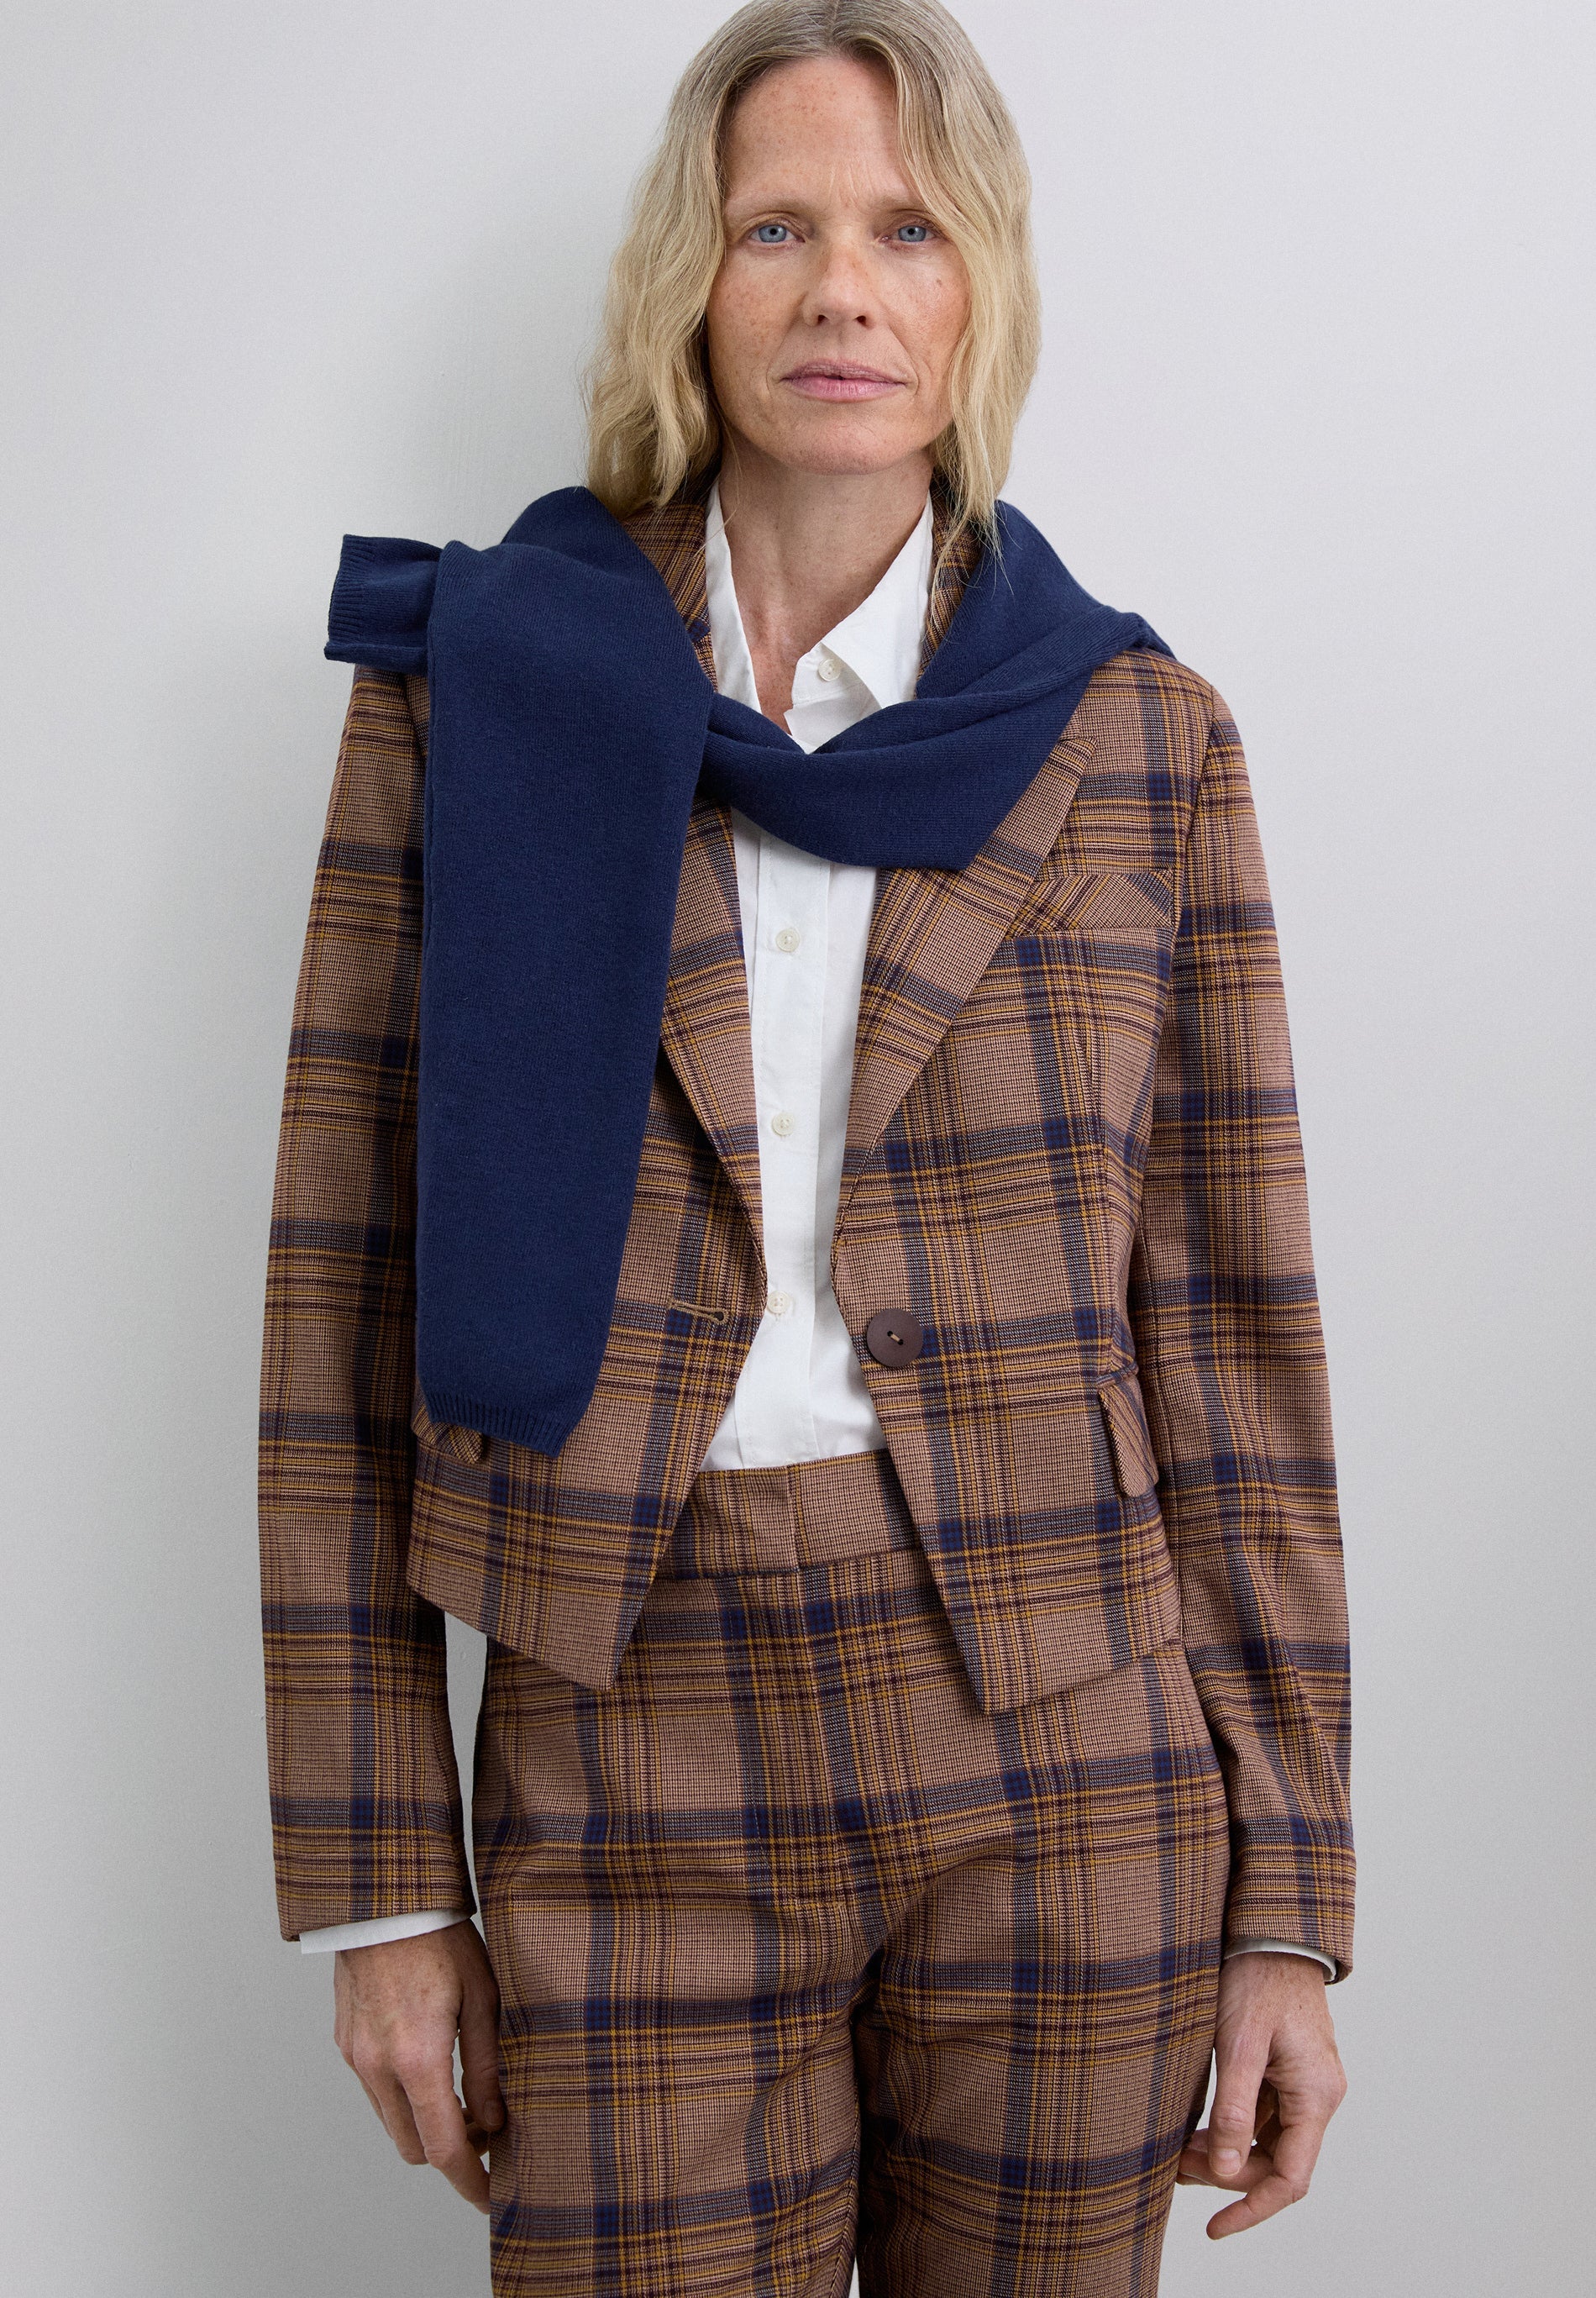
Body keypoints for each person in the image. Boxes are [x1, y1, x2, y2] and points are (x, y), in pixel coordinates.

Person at [259, 3, 1353, 2291]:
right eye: (778, 228)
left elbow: (1236, 1344)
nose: (842, 288)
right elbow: (340, 1293)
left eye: (905, 231)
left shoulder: (1136, 737)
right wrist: (381, 1882)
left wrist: (1290, 1906)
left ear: (978, 293)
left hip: (1065, 1748)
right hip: (626, 1736)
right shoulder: (485, 696)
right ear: (693, 279)